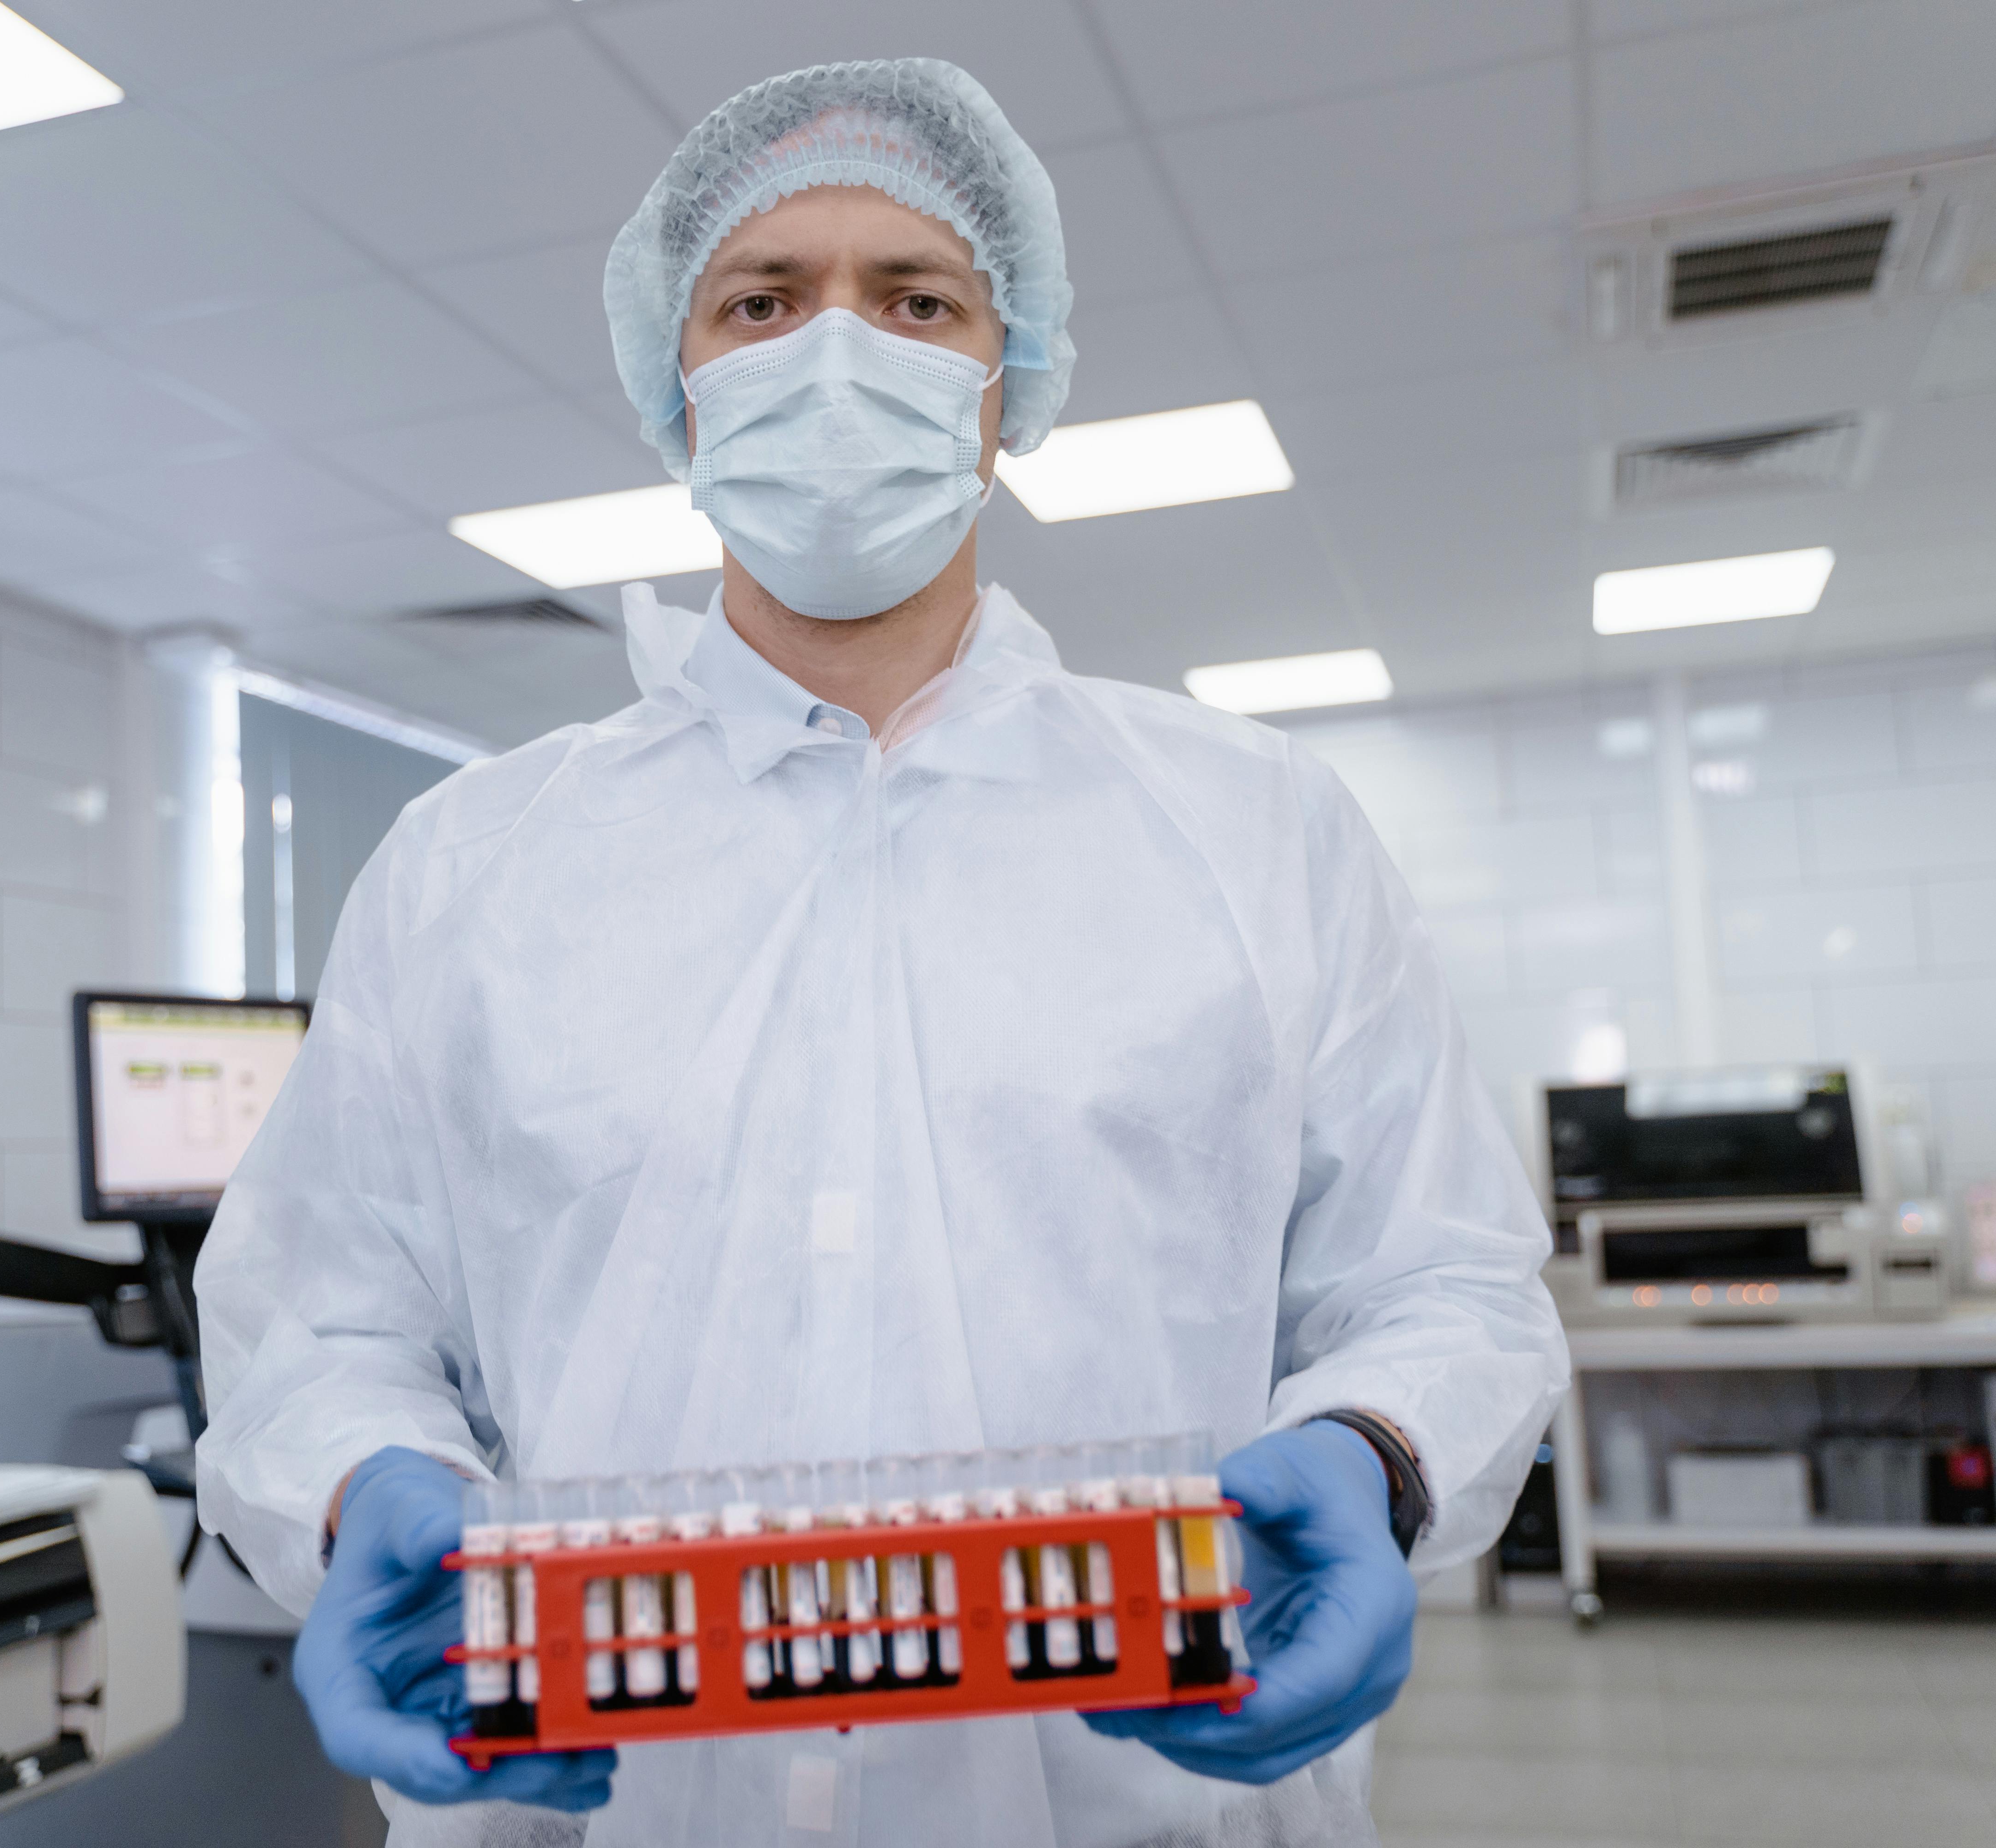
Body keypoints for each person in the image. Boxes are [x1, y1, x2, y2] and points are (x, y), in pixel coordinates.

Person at [195, 57, 1568, 1848]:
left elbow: (1447, 1282)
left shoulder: (1256, 829)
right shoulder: (474, 866)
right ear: (677, 382)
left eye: (916, 298)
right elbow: (324, 1313)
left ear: (1005, 382)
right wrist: (364, 1474)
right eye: (762, 299)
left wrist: (1375, 1451)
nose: (835, 347)